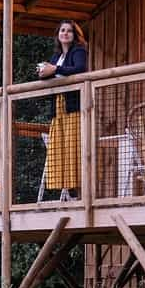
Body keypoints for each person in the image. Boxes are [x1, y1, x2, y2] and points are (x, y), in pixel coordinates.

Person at [35, 20, 87, 200]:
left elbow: (80, 68)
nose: (65, 33)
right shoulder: (56, 56)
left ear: (74, 35)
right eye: (62, 30)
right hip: (58, 108)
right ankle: (66, 189)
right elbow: (48, 75)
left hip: (73, 106)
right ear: (58, 34)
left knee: (73, 146)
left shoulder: (78, 51)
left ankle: (77, 190)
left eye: (69, 31)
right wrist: (43, 73)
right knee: (60, 147)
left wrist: (55, 69)